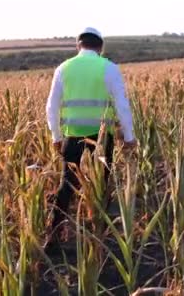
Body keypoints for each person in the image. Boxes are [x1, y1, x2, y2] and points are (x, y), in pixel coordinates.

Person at [44, 27, 137, 251]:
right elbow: (122, 105)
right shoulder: (109, 68)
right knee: (103, 183)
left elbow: (51, 106)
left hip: (73, 135)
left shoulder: (63, 68)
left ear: (79, 46)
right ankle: (99, 234)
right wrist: (129, 136)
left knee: (66, 185)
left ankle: (53, 236)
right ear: (100, 47)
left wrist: (56, 136)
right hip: (103, 138)